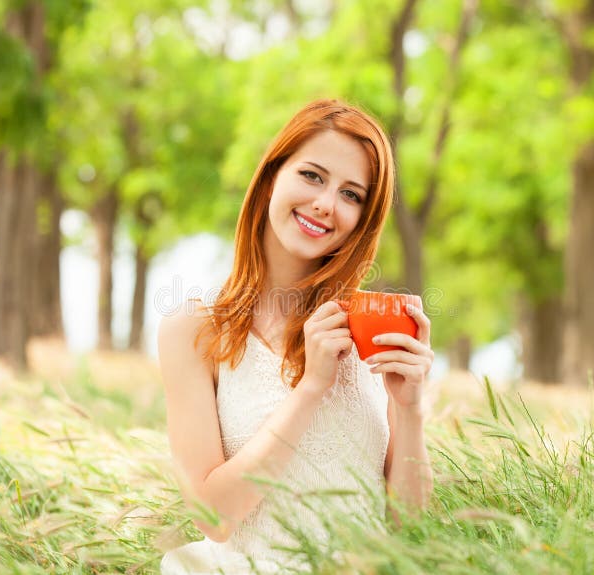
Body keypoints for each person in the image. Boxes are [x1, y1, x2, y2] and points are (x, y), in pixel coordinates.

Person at [157, 99, 434, 574]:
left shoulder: (371, 328)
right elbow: (213, 517)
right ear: (271, 178)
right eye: (312, 176)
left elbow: (409, 528)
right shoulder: (194, 332)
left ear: (362, 222)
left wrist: (409, 409)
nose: (326, 204)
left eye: (352, 195)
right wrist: (310, 389)